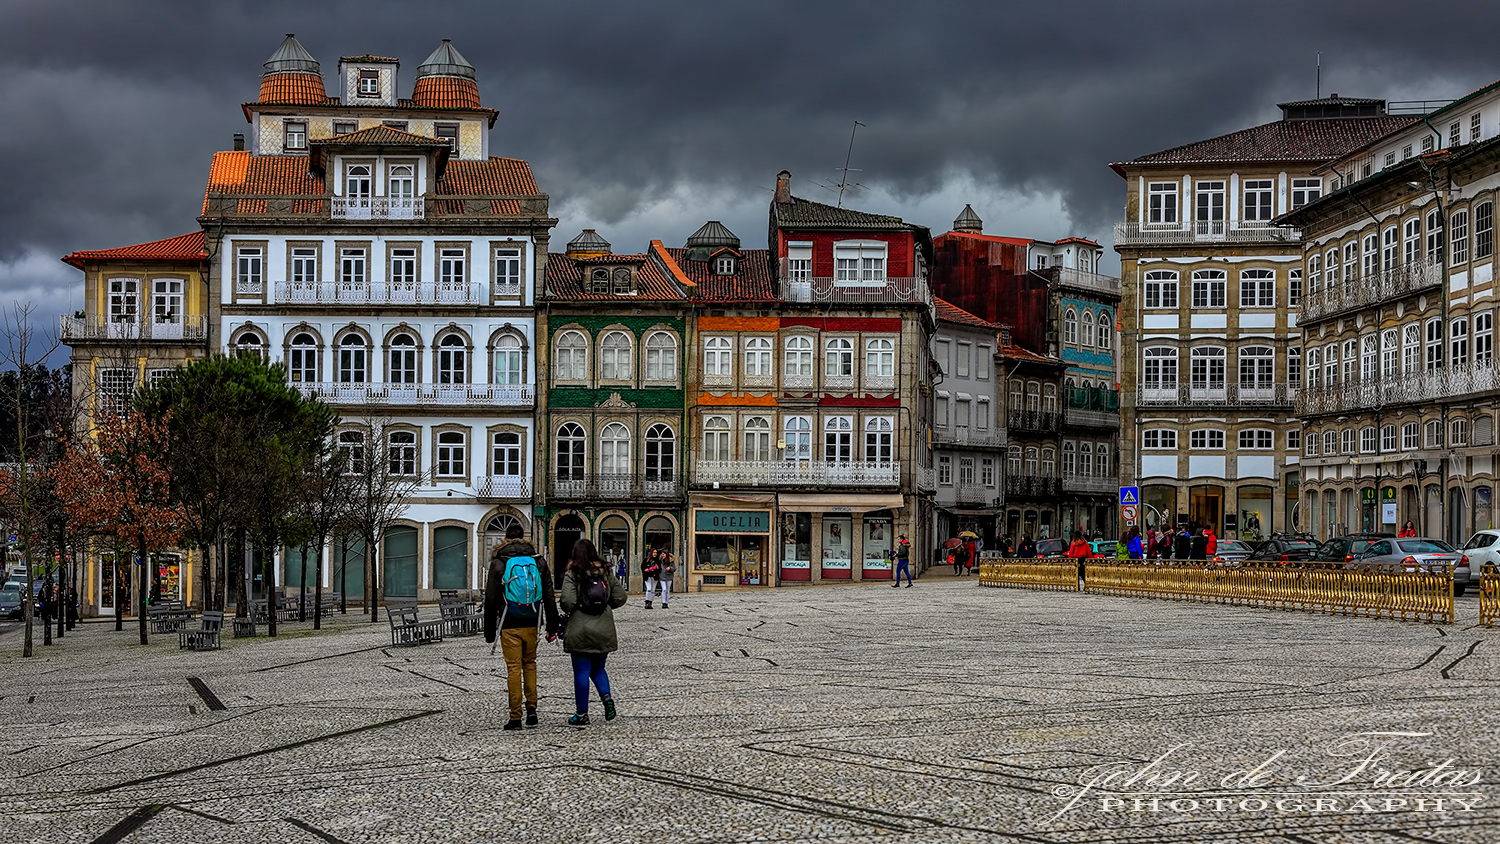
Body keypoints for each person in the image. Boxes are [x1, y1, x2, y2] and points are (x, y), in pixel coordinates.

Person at [482, 525, 561, 731]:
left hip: (509, 622)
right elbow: (549, 595)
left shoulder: (500, 562)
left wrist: (490, 631)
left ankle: (515, 717)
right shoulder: (538, 561)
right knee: (530, 664)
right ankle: (532, 709)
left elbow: (491, 598)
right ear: (524, 539)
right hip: (533, 621)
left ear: (505, 538)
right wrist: (552, 625)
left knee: (514, 668)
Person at [560, 539, 627, 727]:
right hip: (603, 628)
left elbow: (567, 601)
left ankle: (582, 713)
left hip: (580, 629)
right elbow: (621, 597)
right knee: (598, 668)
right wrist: (605, 606)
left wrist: (576, 608)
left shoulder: (573, 573)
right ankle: (607, 698)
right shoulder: (606, 571)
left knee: (581, 671)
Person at [649, 543, 674, 609]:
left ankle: (666, 603)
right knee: (664, 589)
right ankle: (663, 602)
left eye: (664, 554)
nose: (662, 555)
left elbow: (674, 568)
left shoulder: (671, 561)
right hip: (662, 577)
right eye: (662, 554)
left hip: (669, 577)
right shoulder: (660, 561)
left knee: (668, 590)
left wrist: (670, 568)